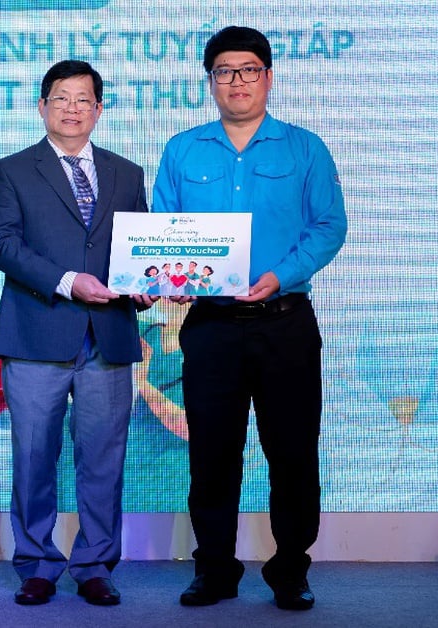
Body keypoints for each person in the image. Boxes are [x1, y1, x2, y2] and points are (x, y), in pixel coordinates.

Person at [151, 26, 347, 611]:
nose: (236, 81)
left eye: (248, 69)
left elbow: (329, 226)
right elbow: (166, 231)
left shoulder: (304, 147)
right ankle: (214, 569)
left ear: (268, 76)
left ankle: (291, 569)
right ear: (210, 81)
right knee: (212, 452)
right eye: (224, 72)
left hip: (285, 321)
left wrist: (281, 276)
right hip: (210, 328)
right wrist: (171, 279)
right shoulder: (183, 149)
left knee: (291, 451)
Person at [0, 59, 155, 607]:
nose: (73, 108)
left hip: (108, 336)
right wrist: (67, 282)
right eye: (62, 98)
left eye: (84, 99)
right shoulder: (11, 170)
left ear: (100, 109)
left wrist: (147, 284)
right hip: (37, 333)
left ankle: (95, 564)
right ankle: (37, 562)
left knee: (103, 456)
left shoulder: (127, 173)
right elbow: (4, 245)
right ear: (42, 106)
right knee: (34, 455)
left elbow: (139, 247)